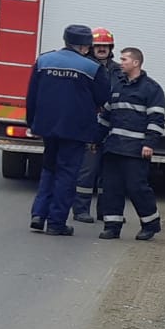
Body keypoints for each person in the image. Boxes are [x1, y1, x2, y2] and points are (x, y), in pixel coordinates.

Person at [26, 24, 109, 235]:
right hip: (76, 129)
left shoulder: (43, 61)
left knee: (49, 168)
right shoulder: (92, 68)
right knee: (67, 174)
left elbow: (32, 95)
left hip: (47, 126)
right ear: (85, 46)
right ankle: (56, 222)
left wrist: (32, 124)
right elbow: (102, 97)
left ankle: (38, 214)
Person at [97, 46, 165, 241]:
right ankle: (112, 226)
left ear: (136, 63)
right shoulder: (117, 86)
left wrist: (149, 143)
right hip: (113, 148)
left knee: (137, 188)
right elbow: (106, 117)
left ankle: (150, 224)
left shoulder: (151, 89)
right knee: (111, 188)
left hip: (136, 150)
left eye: (124, 59)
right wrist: (96, 139)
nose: (121, 62)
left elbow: (156, 120)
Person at [73, 28, 120, 222]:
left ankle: (105, 212)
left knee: (108, 173)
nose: (102, 49)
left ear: (111, 48)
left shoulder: (119, 70)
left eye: (105, 46)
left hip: (112, 126)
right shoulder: (84, 66)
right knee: (87, 170)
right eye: (98, 45)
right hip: (91, 126)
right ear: (92, 47)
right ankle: (81, 210)